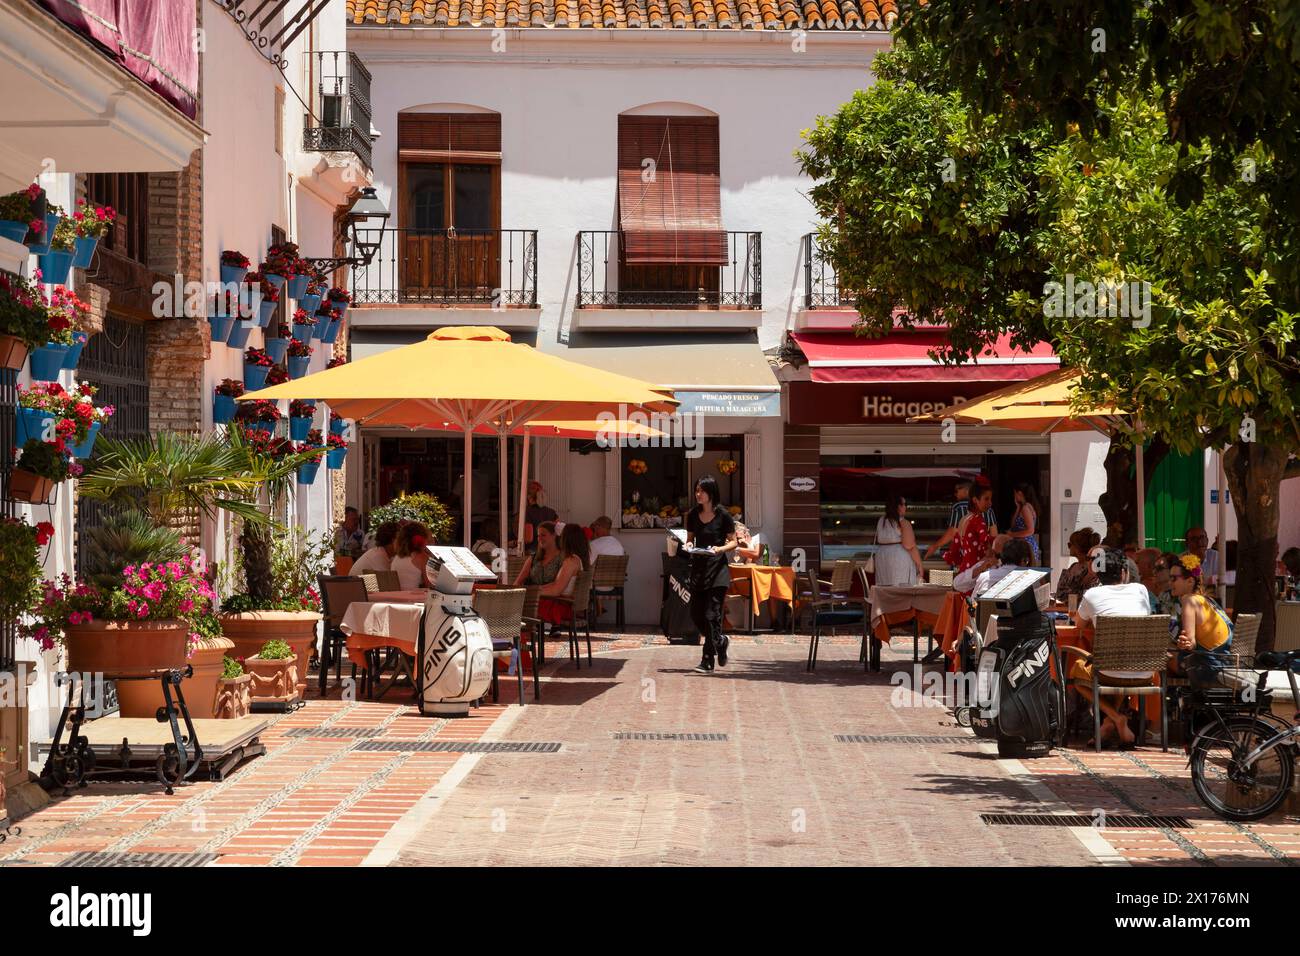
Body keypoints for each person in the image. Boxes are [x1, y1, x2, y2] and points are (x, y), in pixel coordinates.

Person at [1069, 546, 1156, 748]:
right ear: (1124, 573)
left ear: (1098, 573)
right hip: (1145, 669)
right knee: (1119, 663)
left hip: (1109, 670)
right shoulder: (1141, 590)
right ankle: (1109, 723)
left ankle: (1115, 718)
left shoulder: (1092, 594)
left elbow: (1078, 626)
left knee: (1077, 674)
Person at [685, 475, 737, 673]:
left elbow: (733, 542)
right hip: (699, 568)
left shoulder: (723, 515)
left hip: (718, 569)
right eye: (696, 490)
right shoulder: (692, 515)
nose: (698, 494)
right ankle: (720, 642)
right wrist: (689, 545)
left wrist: (720, 549)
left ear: (711, 492)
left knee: (711, 614)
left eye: (702, 491)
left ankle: (707, 659)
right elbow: (690, 539)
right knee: (696, 614)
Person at [1168, 553, 1233, 687]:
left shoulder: (1189, 601)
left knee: (1156, 654)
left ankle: (1161, 704)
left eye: (1174, 578)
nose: (1170, 583)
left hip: (1207, 668)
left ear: (1190, 581)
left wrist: (1183, 643)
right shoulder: (1208, 600)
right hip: (1225, 664)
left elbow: (1190, 644)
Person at [536, 523, 591, 627]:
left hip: (561, 607)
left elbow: (556, 590)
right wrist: (536, 589)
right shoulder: (577, 559)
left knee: (522, 605)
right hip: (566, 605)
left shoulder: (571, 561)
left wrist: (531, 593)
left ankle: (520, 640)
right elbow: (556, 584)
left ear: (566, 540)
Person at [943, 483, 995, 577]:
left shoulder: (964, 519)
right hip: (977, 572)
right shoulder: (978, 521)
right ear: (975, 500)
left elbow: (955, 549)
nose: (990, 503)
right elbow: (988, 548)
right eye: (986, 499)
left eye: (990, 499)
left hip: (965, 571)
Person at [874, 495, 924, 587]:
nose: (905, 507)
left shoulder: (881, 520)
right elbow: (909, 545)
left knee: (884, 587)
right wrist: (919, 565)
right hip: (898, 559)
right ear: (898, 506)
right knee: (900, 589)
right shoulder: (903, 522)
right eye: (904, 504)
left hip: (882, 556)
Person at [925, 479, 972, 561]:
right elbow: (993, 533)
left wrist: (935, 546)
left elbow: (952, 532)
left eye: (957, 490)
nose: (955, 493)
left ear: (967, 490)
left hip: (965, 553)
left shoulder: (959, 507)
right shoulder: (988, 509)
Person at [1055, 528, 1101, 604]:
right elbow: (1060, 594)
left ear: (1077, 548)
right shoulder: (1074, 566)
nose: (1068, 547)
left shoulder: (1091, 570)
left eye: (1070, 545)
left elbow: (1062, 594)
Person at [514, 520, 563, 588]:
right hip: (530, 596)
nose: (539, 539)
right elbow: (518, 582)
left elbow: (559, 584)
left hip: (552, 596)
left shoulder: (563, 558)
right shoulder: (534, 558)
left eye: (543, 535)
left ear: (554, 535)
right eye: (538, 536)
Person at [389, 522, 431, 590]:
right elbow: (431, 585)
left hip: (395, 597)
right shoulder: (421, 557)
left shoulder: (397, 558)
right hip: (412, 598)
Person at [1008, 483, 1042, 565]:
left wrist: (1012, 534)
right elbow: (1012, 525)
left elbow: (1030, 530)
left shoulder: (1025, 508)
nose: (1014, 496)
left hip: (1025, 546)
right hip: (1023, 544)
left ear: (1019, 493)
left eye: (1015, 493)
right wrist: (1017, 508)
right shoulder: (1023, 507)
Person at [523, 481, 558, 551]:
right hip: (550, 550)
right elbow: (558, 534)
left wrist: (515, 542)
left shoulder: (527, 512)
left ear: (529, 497)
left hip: (534, 552)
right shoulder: (552, 512)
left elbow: (528, 539)